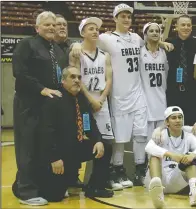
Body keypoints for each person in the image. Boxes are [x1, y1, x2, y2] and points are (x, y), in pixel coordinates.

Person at [71, 4, 173, 188]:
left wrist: (162, 42)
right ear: (115, 18)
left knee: (141, 135)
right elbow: (88, 40)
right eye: (123, 16)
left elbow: (152, 41)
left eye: (129, 16)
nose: (127, 19)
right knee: (120, 137)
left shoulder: (136, 38)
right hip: (119, 96)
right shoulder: (107, 38)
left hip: (138, 94)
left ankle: (140, 170)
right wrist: (76, 44)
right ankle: (117, 169)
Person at [12, 11, 67, 206]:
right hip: (29, 103)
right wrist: (41, 89)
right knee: (27, 147)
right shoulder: (27, 44)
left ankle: (35, 185)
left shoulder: (57, 50)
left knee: (42, 147)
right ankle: (26, 192)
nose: (51, 27)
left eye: (54, 24)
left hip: (48, 106)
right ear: (37, 28)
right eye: (46, 25)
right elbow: (19, 72)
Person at [37, 66, 114, 201]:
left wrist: (97, 140)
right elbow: (46, 132)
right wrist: (54, 158)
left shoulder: (81, 99)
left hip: (75, 147)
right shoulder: (54, 100)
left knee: (105, 147)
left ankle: (95, 187)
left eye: (79, 77)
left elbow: (89, 123)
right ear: (63, 81)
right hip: (58, 154)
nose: (77, 80)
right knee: (54, 196)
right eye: (72, 77)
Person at [68, 17, 121, 190]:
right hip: (84, 100)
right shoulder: (77, 53)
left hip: (101, 100)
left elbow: (109, 79)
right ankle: (73, 176)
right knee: (86, 140)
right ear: (82, 33)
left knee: (105, 142)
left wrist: (102, 99)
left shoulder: (104, 56)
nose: (95, 31)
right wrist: (91, 100)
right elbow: (75, 79)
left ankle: (100, 180)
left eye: (96, 29)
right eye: (90, 28)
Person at [144, 106, 196, 208]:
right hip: (161, 178)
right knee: (154, 156)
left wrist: (192, 155)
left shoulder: (188, 136)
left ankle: (194, 193)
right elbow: (148, 147)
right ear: (167, 122)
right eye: (173, 118)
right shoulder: (161, 135)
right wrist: (170, 154)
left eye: (180, 117)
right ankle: (158, 195)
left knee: (191, 158)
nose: (178, 120)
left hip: (176, 178)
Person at [138, 22, 170, 185]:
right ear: (145, 34)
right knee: (146, 139)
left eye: (157, 31)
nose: (155, 33)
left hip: (161, 98)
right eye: (151, 31)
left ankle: (160, 170)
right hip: (145, 99)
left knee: (161, 138)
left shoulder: (164, 53)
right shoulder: (139, 52)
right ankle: (143, 169)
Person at [165, 15, 196, 126]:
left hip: (192, 91)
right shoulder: (168, 43)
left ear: (191, 27)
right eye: (183, 25)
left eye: (188, 25)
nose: (186, 27)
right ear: (176, 27)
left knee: (191, 124)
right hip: (173, 91)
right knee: (174, 124)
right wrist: (161, 43)